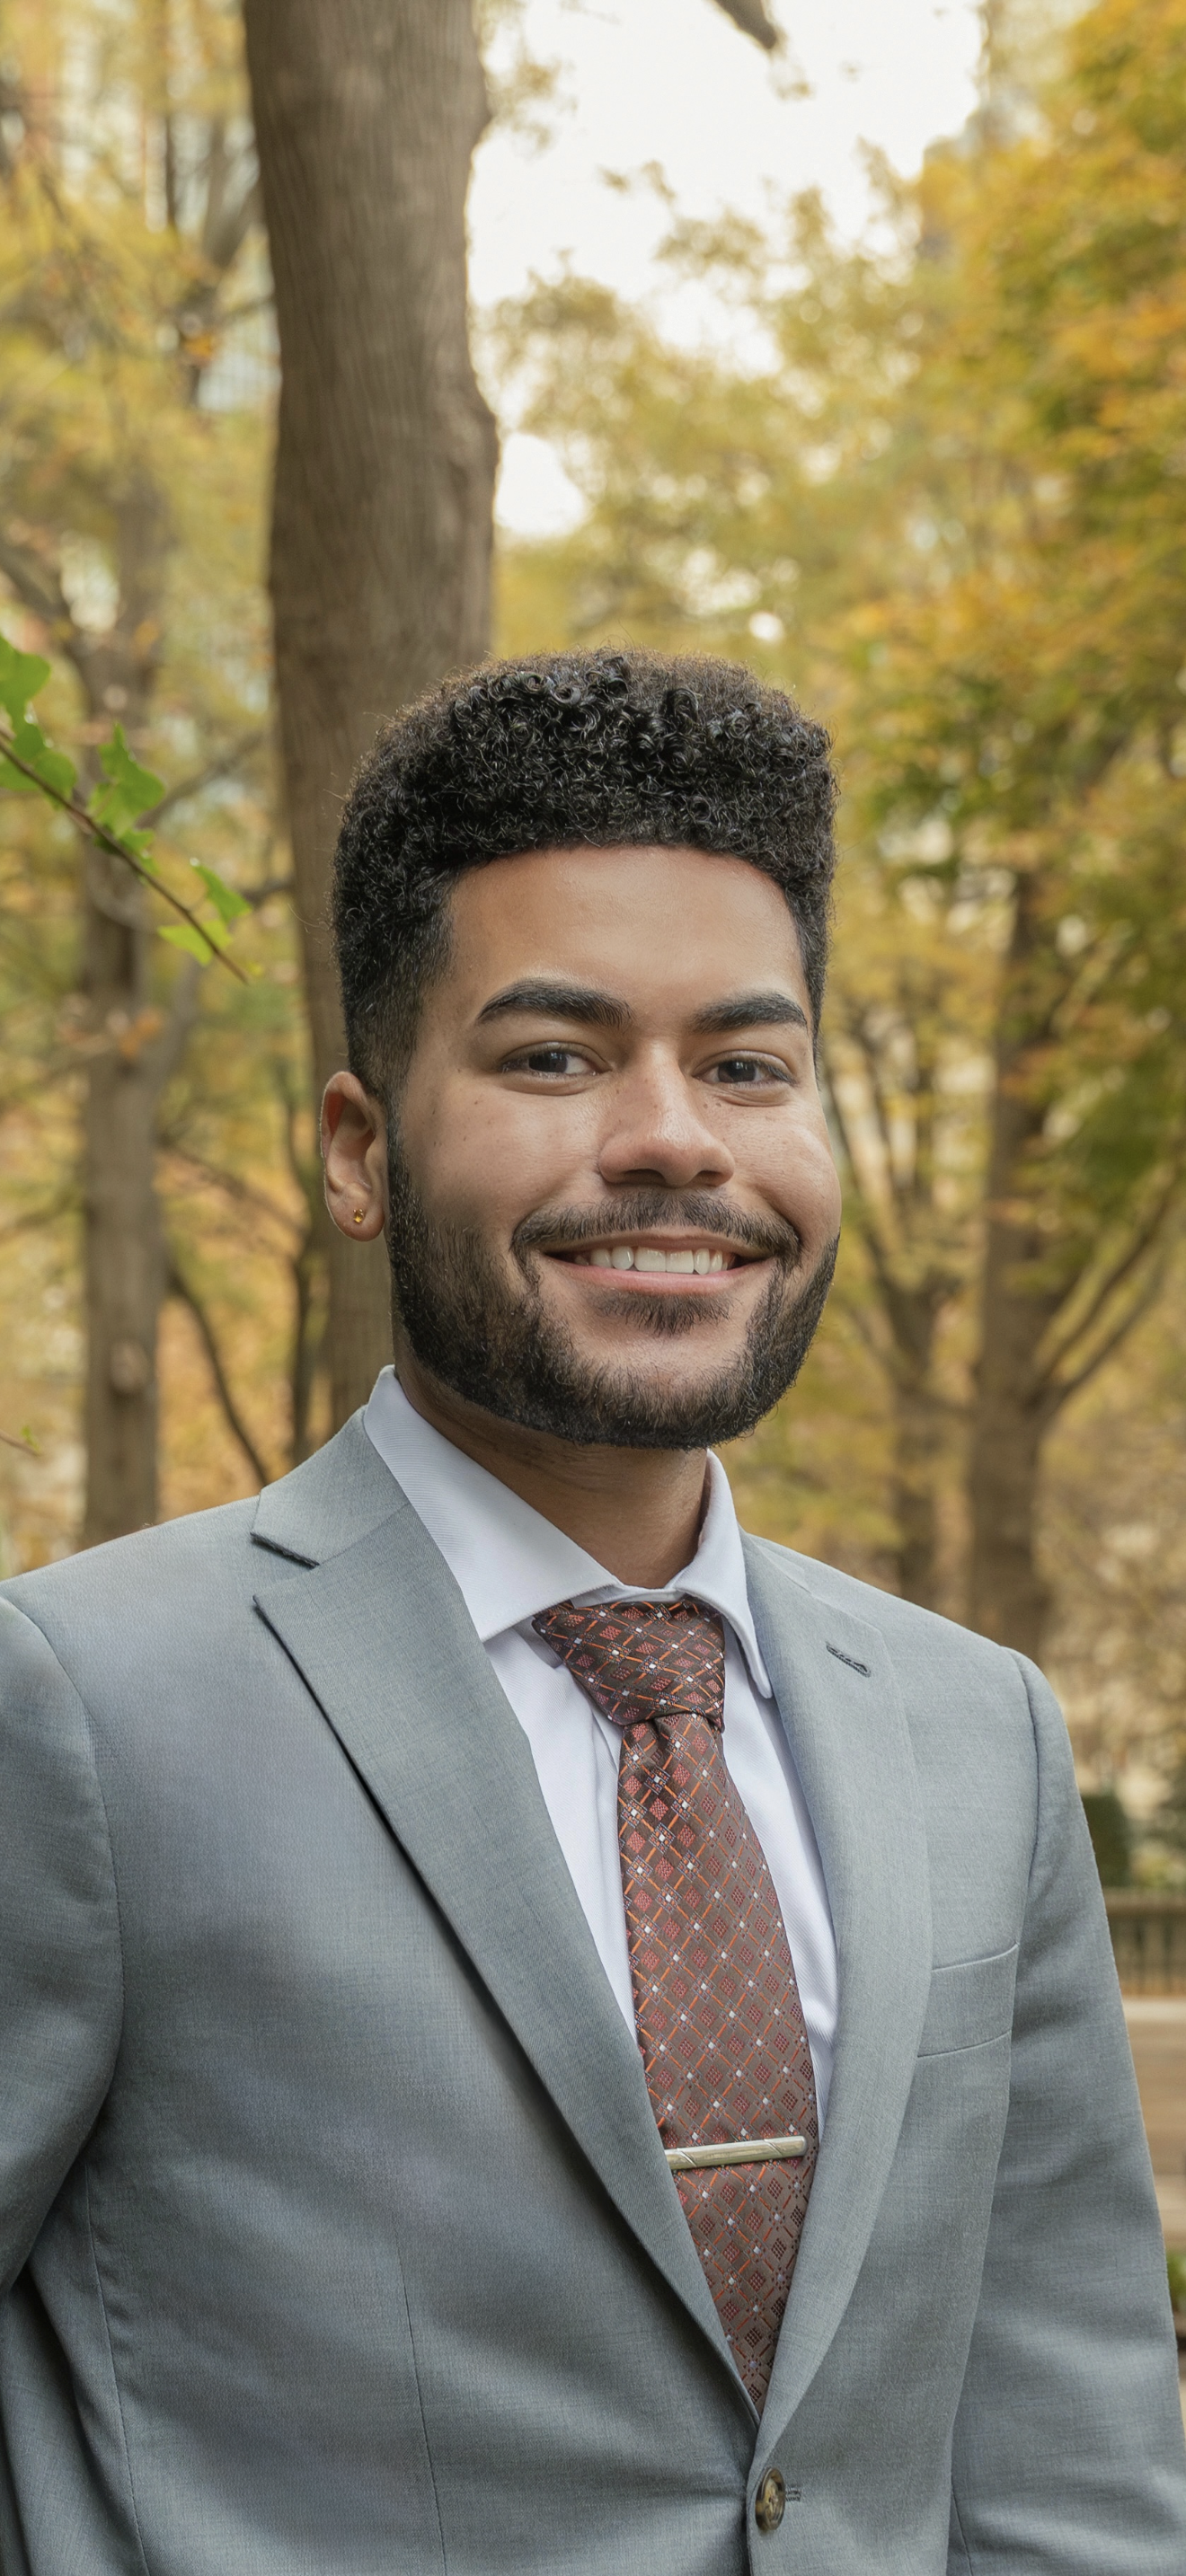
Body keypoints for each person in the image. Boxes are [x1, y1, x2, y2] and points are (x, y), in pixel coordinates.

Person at [1, 648, 1183, 2576]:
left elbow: (1066, 2465)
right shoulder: (77, 1702)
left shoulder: (983, 1732)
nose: (674, 1138)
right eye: (555, 1057)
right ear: (361, 1148)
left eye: (746, 1063)